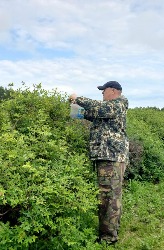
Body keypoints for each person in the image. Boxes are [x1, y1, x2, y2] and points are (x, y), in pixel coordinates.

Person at [69, 81, 129, 245]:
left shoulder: (118, 104)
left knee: (109, 198)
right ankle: (108, 233)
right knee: (106, 197)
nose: (102, 94)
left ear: (113, 91)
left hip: (112, 158)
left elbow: (98, 107)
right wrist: (74, 105)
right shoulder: (107, 109)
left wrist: (78, 98)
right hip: (105, 157)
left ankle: (108, 238)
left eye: (104, 91)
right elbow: (85, 114)